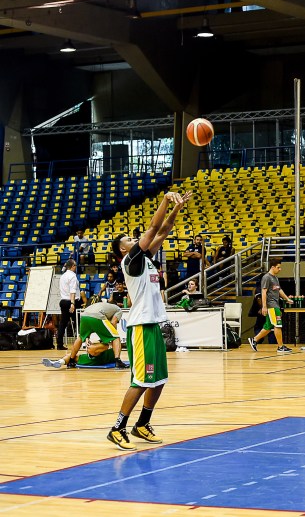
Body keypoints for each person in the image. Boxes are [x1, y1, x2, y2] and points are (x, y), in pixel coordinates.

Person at [107, 190, 191, 451]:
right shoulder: (131, 261)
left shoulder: (146, 260)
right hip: (140, 326)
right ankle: (117, 428)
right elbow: (154, 226)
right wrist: (166, 199)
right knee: (141, 380)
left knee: (159, 379)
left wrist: (177, 208)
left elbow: (163, 231)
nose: (135, 239)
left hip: (154, 323)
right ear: (124, 249)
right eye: (129, 239)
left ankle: (142, 424)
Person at [42, 301, 128, 369]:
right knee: (116, 337)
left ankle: (69, 360)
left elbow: (89, 333)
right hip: (97, 317)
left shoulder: (103, 305)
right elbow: (113, 323)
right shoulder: (118, 309)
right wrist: (111, 336)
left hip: (84, 315)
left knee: (80, 337)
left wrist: (89, 339)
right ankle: (118, 360)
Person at [247, 258, 294, 353]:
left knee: (268, 326)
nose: (280, 269)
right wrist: (264, 306)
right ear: (272, 267)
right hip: (271, 305)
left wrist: (287, 299)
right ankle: (280, 347)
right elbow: (263, 292)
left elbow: (279, 290)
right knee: (277, 325)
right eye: (278, 267)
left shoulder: (275, 278)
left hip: (275, 304)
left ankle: (254, 340)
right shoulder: (266, 277)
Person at [57, 259, 82, 350]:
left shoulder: (63, 276)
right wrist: (72, 303)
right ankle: (81, 342)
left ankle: (59, 344)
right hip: (71, 301)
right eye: (75, 265)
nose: (76, 267)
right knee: (79, 322)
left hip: (63, 300)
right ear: (72, 266)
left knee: (63, 323)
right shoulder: (72, 277)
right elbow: (72, 291)